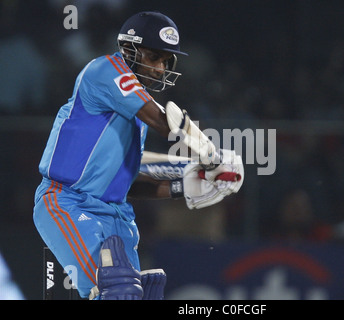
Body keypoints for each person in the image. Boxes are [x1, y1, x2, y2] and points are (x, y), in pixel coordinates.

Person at [33, 11, 243, 300]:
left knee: (138, 296)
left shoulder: (137, 118)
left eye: (166, 61)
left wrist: (187, 184)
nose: (159, 68)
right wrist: (211, 155)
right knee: (117, 293)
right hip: (68, 202)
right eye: (154, 57)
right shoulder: (105, 70)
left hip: (116, 214)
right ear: (129, 49)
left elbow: (128, 181)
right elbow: (164, 121)